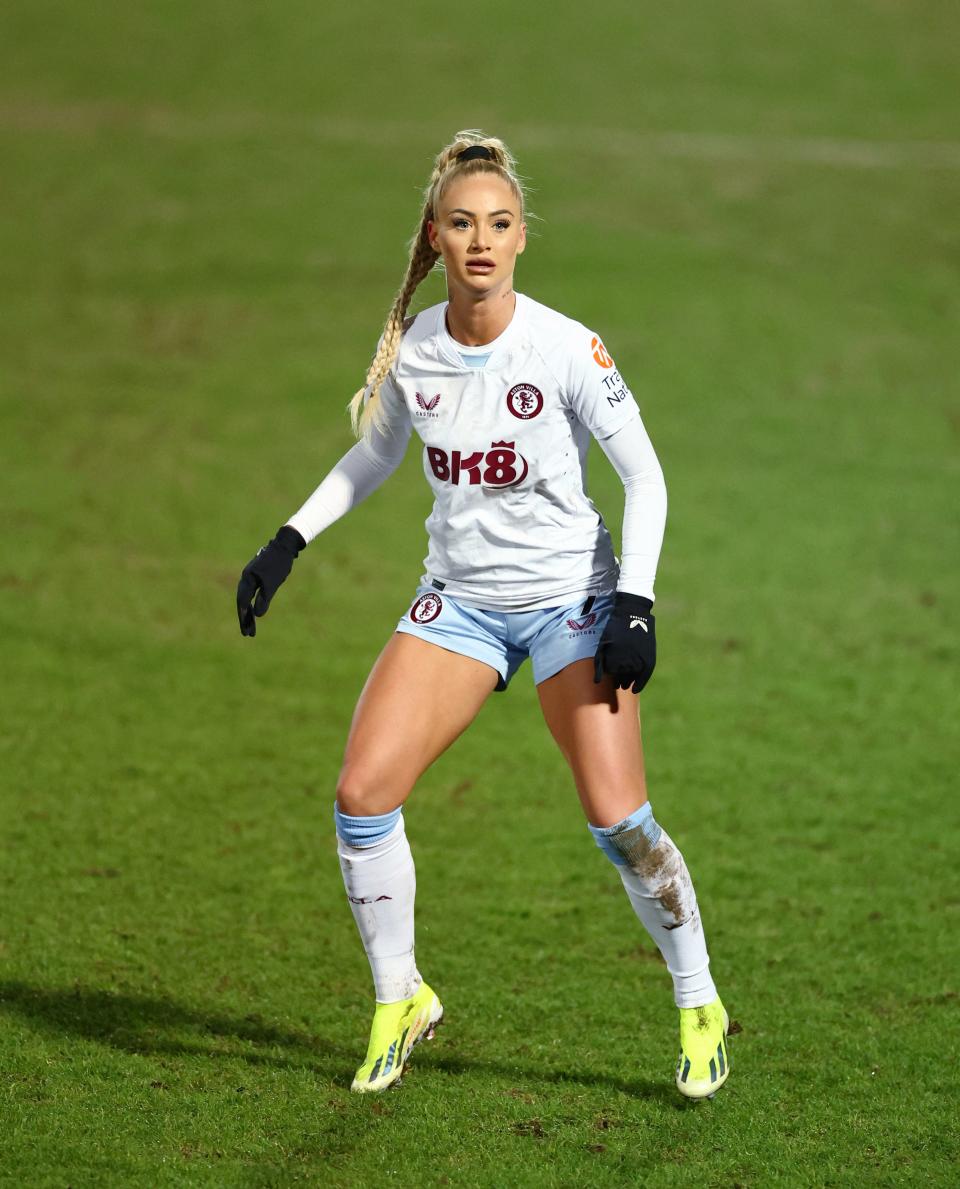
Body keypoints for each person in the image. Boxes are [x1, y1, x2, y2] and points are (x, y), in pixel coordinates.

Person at [236, 131, 731, 1100]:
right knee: (363, 792)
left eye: (499, 225)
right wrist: (288, 540)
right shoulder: (418, 347)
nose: (481, 241)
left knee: (618, 818)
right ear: (435, 235)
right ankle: (400, 996)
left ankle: (699, 996)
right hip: (458, 604)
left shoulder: (563, 346)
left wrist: (635, 601)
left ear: (520, 240)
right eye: (462, 223)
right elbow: (374, 455)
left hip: (571, 606)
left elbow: (646, 475)